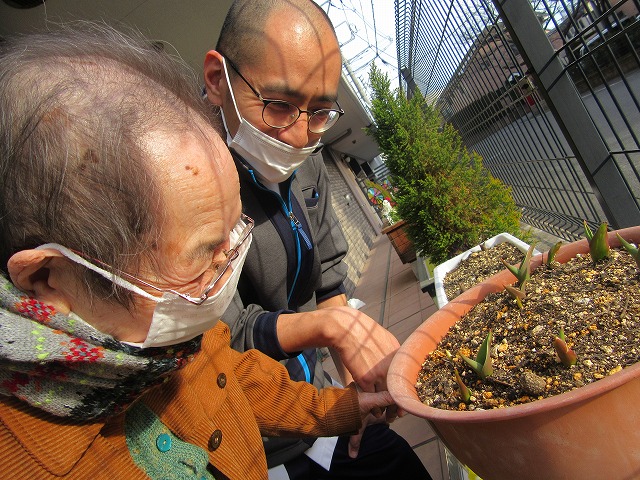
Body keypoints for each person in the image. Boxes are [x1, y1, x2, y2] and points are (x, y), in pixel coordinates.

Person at [0, 23, 397, 480]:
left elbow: (235, 377)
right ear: (49, 278)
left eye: (235, 228)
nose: (229, 259)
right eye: (204, 250)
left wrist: (342, 408)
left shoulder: (167, 334)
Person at [203, 1, 432, 478]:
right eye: (279, 106)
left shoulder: (307, 163)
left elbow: (329, 278)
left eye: (321, 111)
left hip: (323, 403)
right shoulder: (189, 180)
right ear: (217, 79)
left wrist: (355, 394)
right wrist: (331, 328)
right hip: (254, 441)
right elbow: (222, 334)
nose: (299, 136)